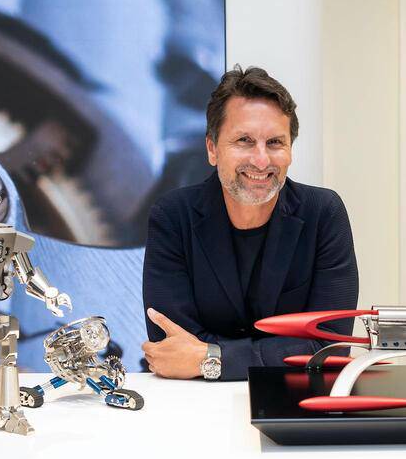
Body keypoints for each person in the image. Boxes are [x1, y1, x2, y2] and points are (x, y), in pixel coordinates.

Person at [141, 66, 359, 380]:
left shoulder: (323, 214)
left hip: (292, 395)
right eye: (244, 140)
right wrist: (278, 352)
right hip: (193, 397)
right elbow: (171, 347)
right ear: (212, 149)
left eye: (275, 142)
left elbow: (330, 347)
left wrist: (213, 358)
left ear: (290, 150)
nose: (261, 160)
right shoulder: (173, 216)